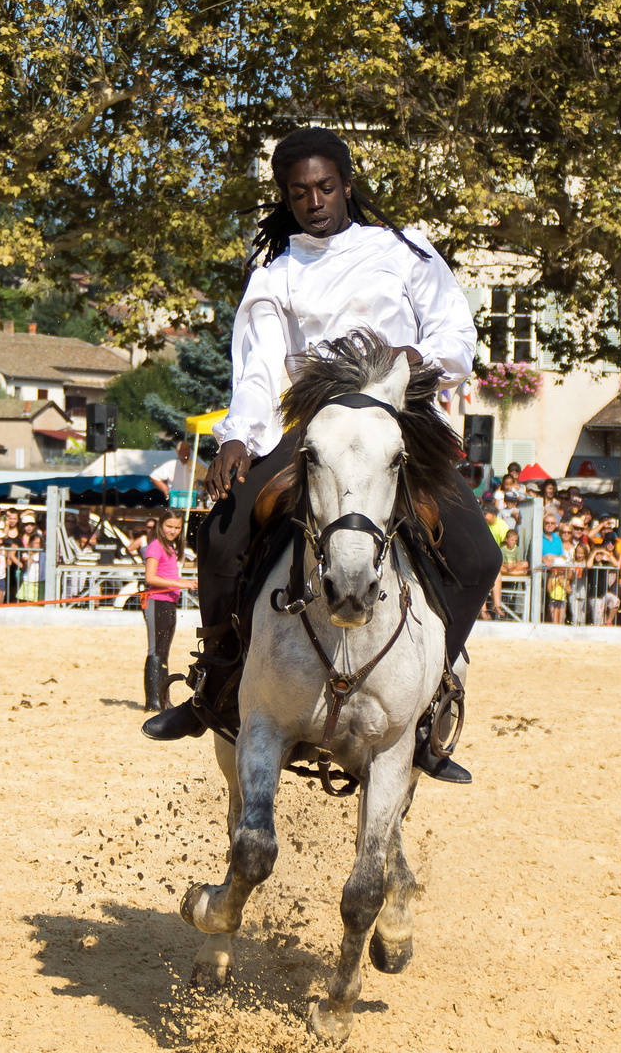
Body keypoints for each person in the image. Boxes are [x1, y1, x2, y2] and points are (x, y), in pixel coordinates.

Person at [142, 126, 502, 784]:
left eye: (325, 187)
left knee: (480, 554)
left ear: (346, 185)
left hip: (400, 421)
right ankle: (213, 684)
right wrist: (236, 441)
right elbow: (256, 371)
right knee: (221, 537)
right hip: (312, 428)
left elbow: (453, 328)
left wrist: (416, 359)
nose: (314, 201)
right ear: (285, 195)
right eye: (299, 191)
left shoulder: (403, 250)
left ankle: (428, 695)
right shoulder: (274, 273)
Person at [142, 510, 198, 712]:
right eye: (169, 526)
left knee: (163, 651)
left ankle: (162, 699)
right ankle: (153, 701)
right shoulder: (156, 546)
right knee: (156, 651)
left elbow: (168, 576)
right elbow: (150, 578)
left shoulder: (170, 547)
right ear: (161, 525)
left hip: (168, 602)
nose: (173, 531)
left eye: (176, 527)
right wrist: (178, 583)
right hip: (157, 602)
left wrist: (186, 582)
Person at [586, 532, 621, 626]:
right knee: (598, 619)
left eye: (600, 554)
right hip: (594, 595)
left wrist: (607, 554)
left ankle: (608, 621)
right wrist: (594, 552)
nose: (599, 556)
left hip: (603, 593)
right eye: (597, 554)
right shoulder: (592, 563)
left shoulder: (604, 563)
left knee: (616, 601)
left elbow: (616, 565)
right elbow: (588, 565)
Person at [17, 533, 46, 602]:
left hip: (38, 580)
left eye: (38, 543)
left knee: (37, 601)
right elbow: (27, 565)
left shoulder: (43, 555)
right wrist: (31, 556)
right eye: (35, 543)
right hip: (29, 579)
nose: (36, 545)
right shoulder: (26, 553)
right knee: (28, 601)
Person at [569, 542, 589, 626]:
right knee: (575, 615)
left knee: (582, 615)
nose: (579, 555)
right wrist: (575, 572)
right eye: (578, 553)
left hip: (583, 591)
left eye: (582, 553)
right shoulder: (572, 563)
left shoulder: (586, 563)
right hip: (574, 591)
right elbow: (569, 577)